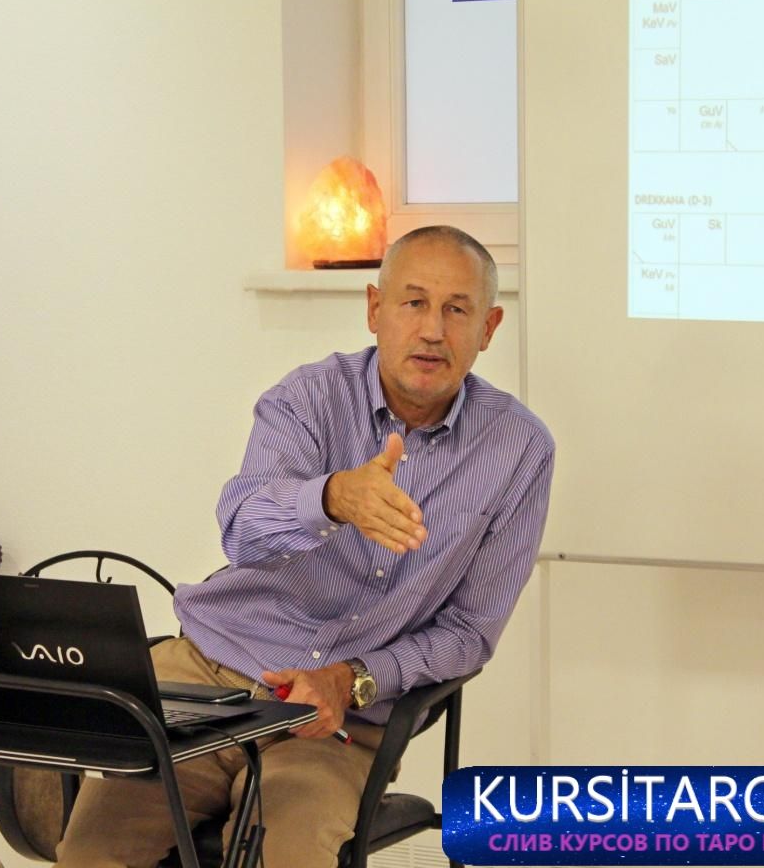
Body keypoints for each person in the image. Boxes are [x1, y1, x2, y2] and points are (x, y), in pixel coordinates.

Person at [55, 226, 554, 868]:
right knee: (92, 852)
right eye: (413, 302)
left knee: (290, 849)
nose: (433, 330)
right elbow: (242, 529)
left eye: (456, 310)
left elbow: (468, 632)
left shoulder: (519, 450)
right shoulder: (308, 398)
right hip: (212, 677)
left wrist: (355, 678)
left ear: (488, 327)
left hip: (337, 722)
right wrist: (332, 498)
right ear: (375, 308)